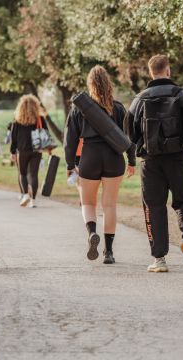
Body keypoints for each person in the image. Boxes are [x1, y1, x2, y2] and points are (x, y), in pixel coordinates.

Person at [124, 54, 183, 272]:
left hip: (151, 162)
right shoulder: (182, 94)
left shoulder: (139, 99)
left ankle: (159, 260)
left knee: (154, 207)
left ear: (151, 72)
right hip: (179, 158)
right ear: (168, 71)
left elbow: (129, 132)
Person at [64, 65, 136, 264]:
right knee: (110, 205)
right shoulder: (119, 108)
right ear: (108, 84)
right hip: (114, 158)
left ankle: (92, 233)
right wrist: (131, 160)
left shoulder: (79, 109)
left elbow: (70, 140)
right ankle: (109, 252)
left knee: (88, 203)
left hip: (90, 157)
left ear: (90, 85)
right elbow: (129, 137)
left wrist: (70, 164)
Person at [10, 94, 48, 208]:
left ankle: (25, 194)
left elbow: (14, 138)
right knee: (34, 175)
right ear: (36, 106)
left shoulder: (17, 121)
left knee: (22, 173)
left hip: (22, 151)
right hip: (37, 150)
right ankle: (33, 201)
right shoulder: (40, 119)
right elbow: (45, 132)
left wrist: (12, 152)